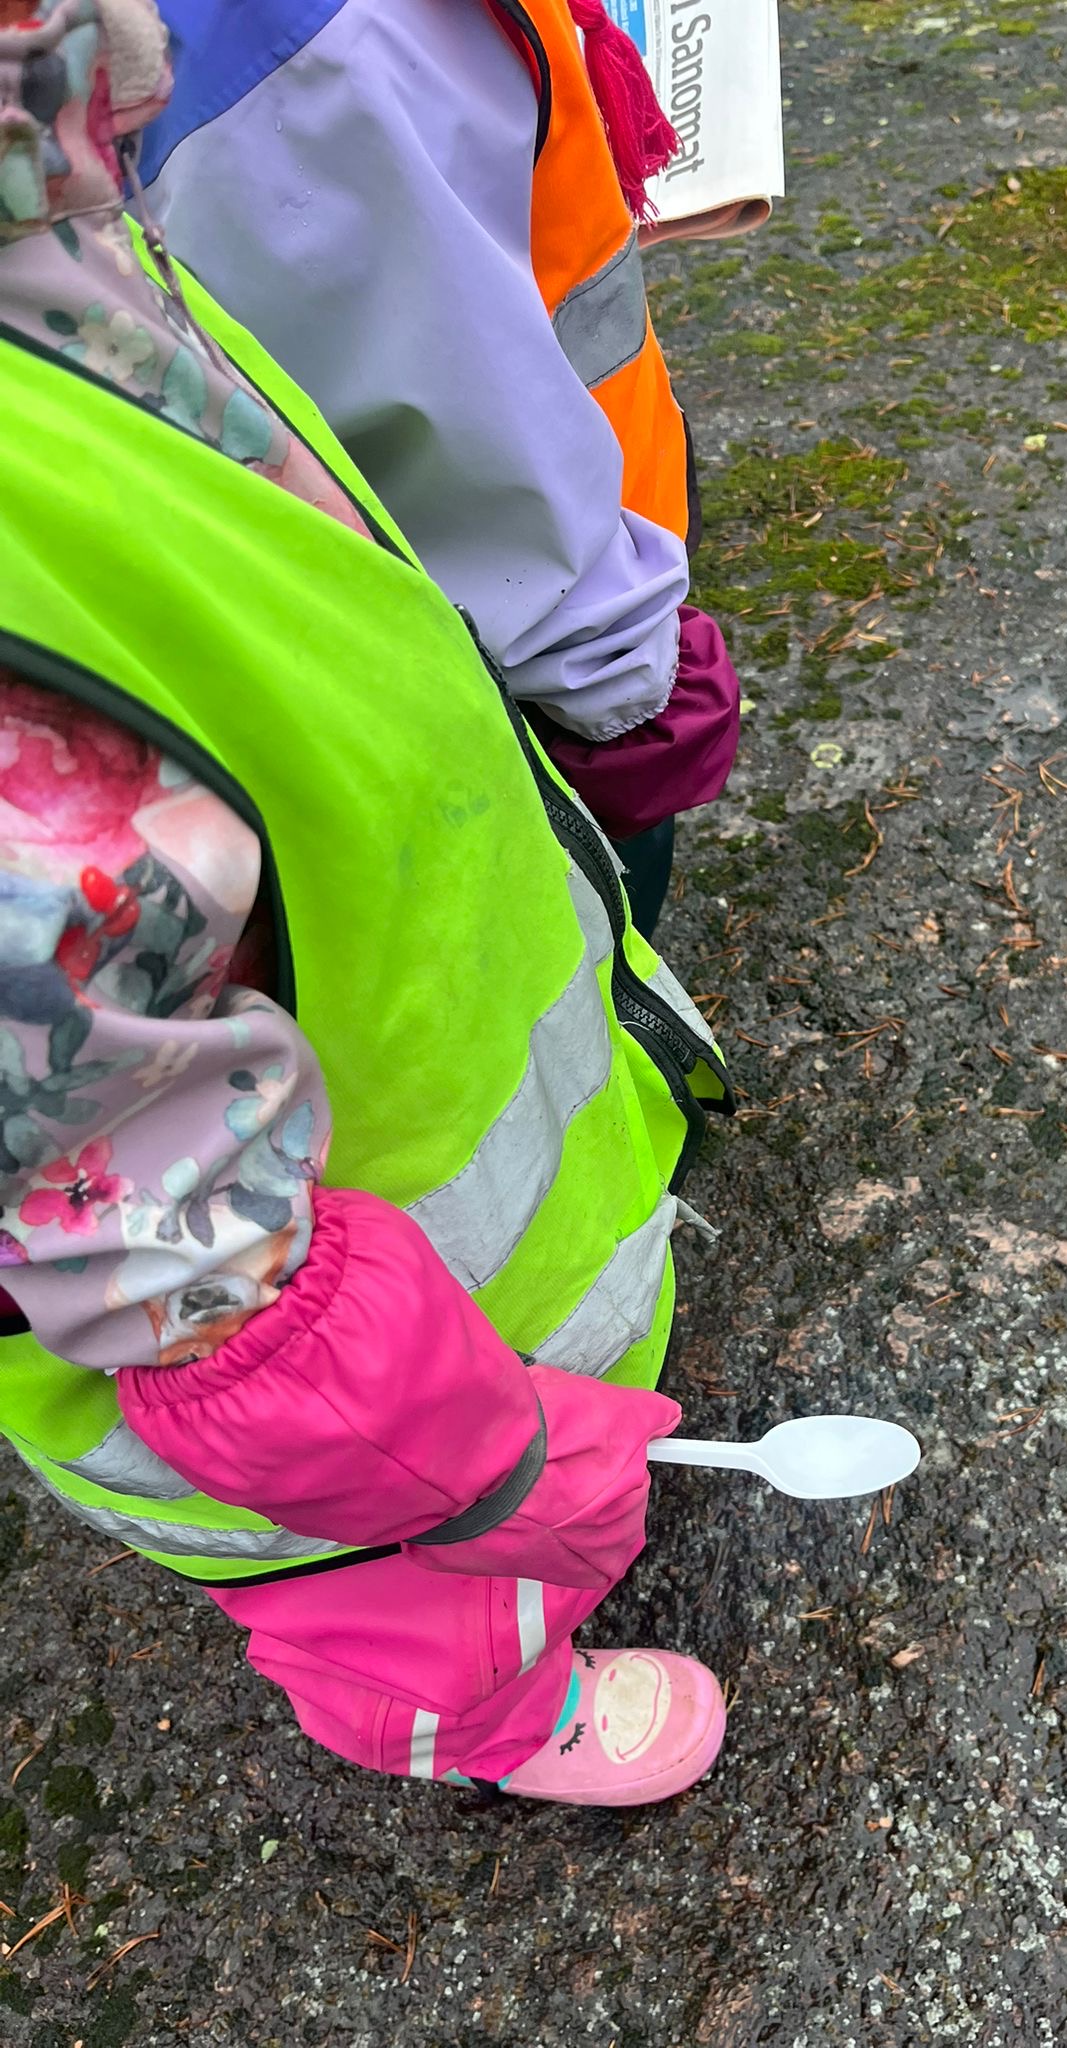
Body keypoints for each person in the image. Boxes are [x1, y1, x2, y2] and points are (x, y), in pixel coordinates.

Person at [0, 0, 734, 1806]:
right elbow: (166, 1251)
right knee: (398, 1596)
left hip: (423, 1186)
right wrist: (476, 1461)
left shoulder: (52, 233)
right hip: (340, 1381)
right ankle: (481, 1719)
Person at [135, 0, 742, 939]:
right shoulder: (292, 46)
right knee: (570, 963)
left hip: (576, 557)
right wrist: (619, 694)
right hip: (517, 680)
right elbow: (449, 411)